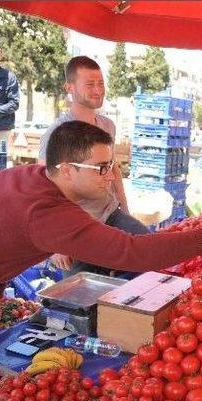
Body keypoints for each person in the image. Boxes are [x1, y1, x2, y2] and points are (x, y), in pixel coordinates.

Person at [0, 120, 202, 340]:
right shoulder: (47, 213)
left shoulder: (25, 178)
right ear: (66, 170)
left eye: (111, 165)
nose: (111, 176)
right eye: (100, 167)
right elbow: (132, 251)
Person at [39, 56, 145, 275]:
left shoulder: (107, 126)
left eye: (101, 83)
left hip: (110, 215)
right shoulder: (56, 133)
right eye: (90, 84)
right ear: (69, 87)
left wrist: (125, 212)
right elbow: (42, 186)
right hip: (76, 229)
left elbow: (113, 169)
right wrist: (55, 243)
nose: (98, 90)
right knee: (77, 301)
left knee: (150, 257)